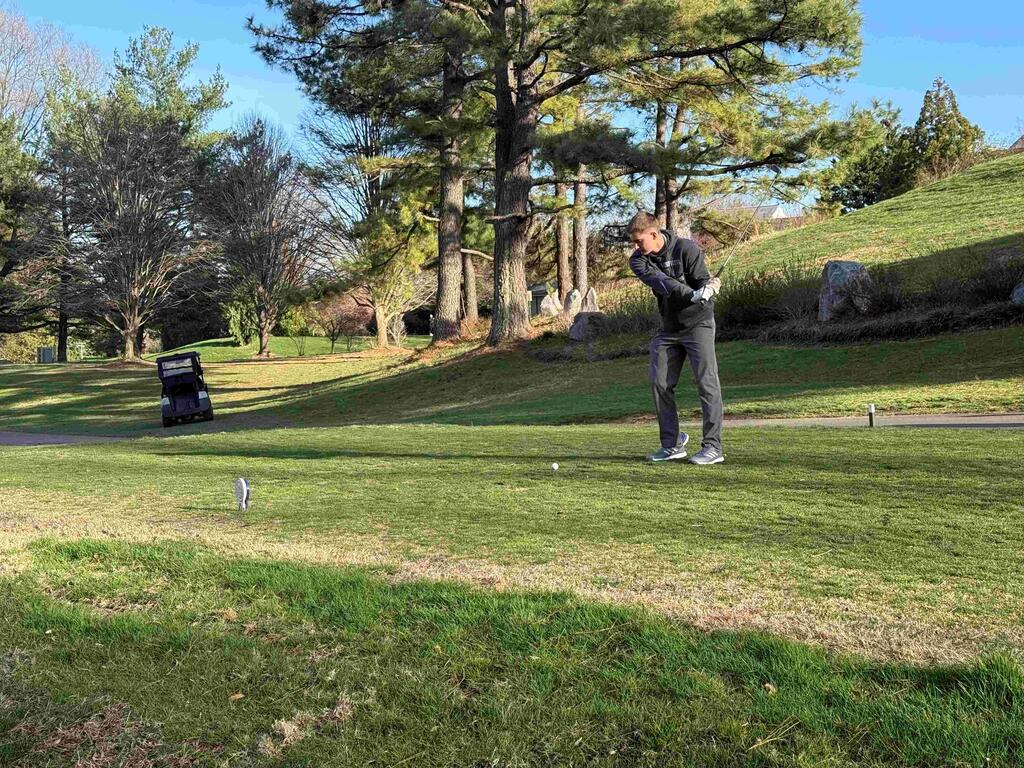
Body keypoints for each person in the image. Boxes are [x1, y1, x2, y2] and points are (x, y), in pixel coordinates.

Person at [627, 212, 725, 465]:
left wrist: (709, 288)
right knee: (659, 382)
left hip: (699, 324)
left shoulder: (687, 249)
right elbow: (661, 281)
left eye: (639, 241)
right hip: (669, 328)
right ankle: (671, 445)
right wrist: (691, 294)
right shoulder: (638, 261)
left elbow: (702, 282)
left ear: (654, 234)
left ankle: (713, 447)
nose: (636, 247)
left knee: (707, 383)